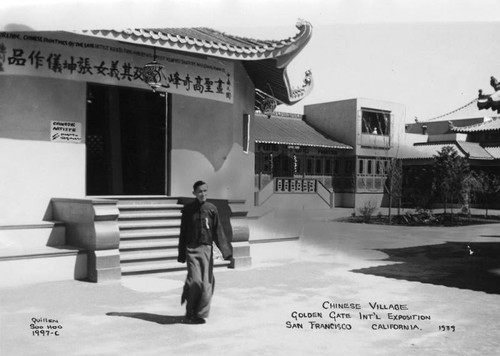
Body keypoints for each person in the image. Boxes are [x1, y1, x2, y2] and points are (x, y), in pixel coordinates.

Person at [177, 180, 233, 324]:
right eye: (200, 191)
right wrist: (181, 254)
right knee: (196, 281)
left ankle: (199, 314)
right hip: (192, 249)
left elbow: (218, 231)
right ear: (194, 193)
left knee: (206, 284)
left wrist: (226, 252)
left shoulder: (211, 209)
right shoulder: (188, 210)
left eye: (205, 191)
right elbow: (183, 232)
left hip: (206, 250)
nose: (203, 194)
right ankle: (190, 312)